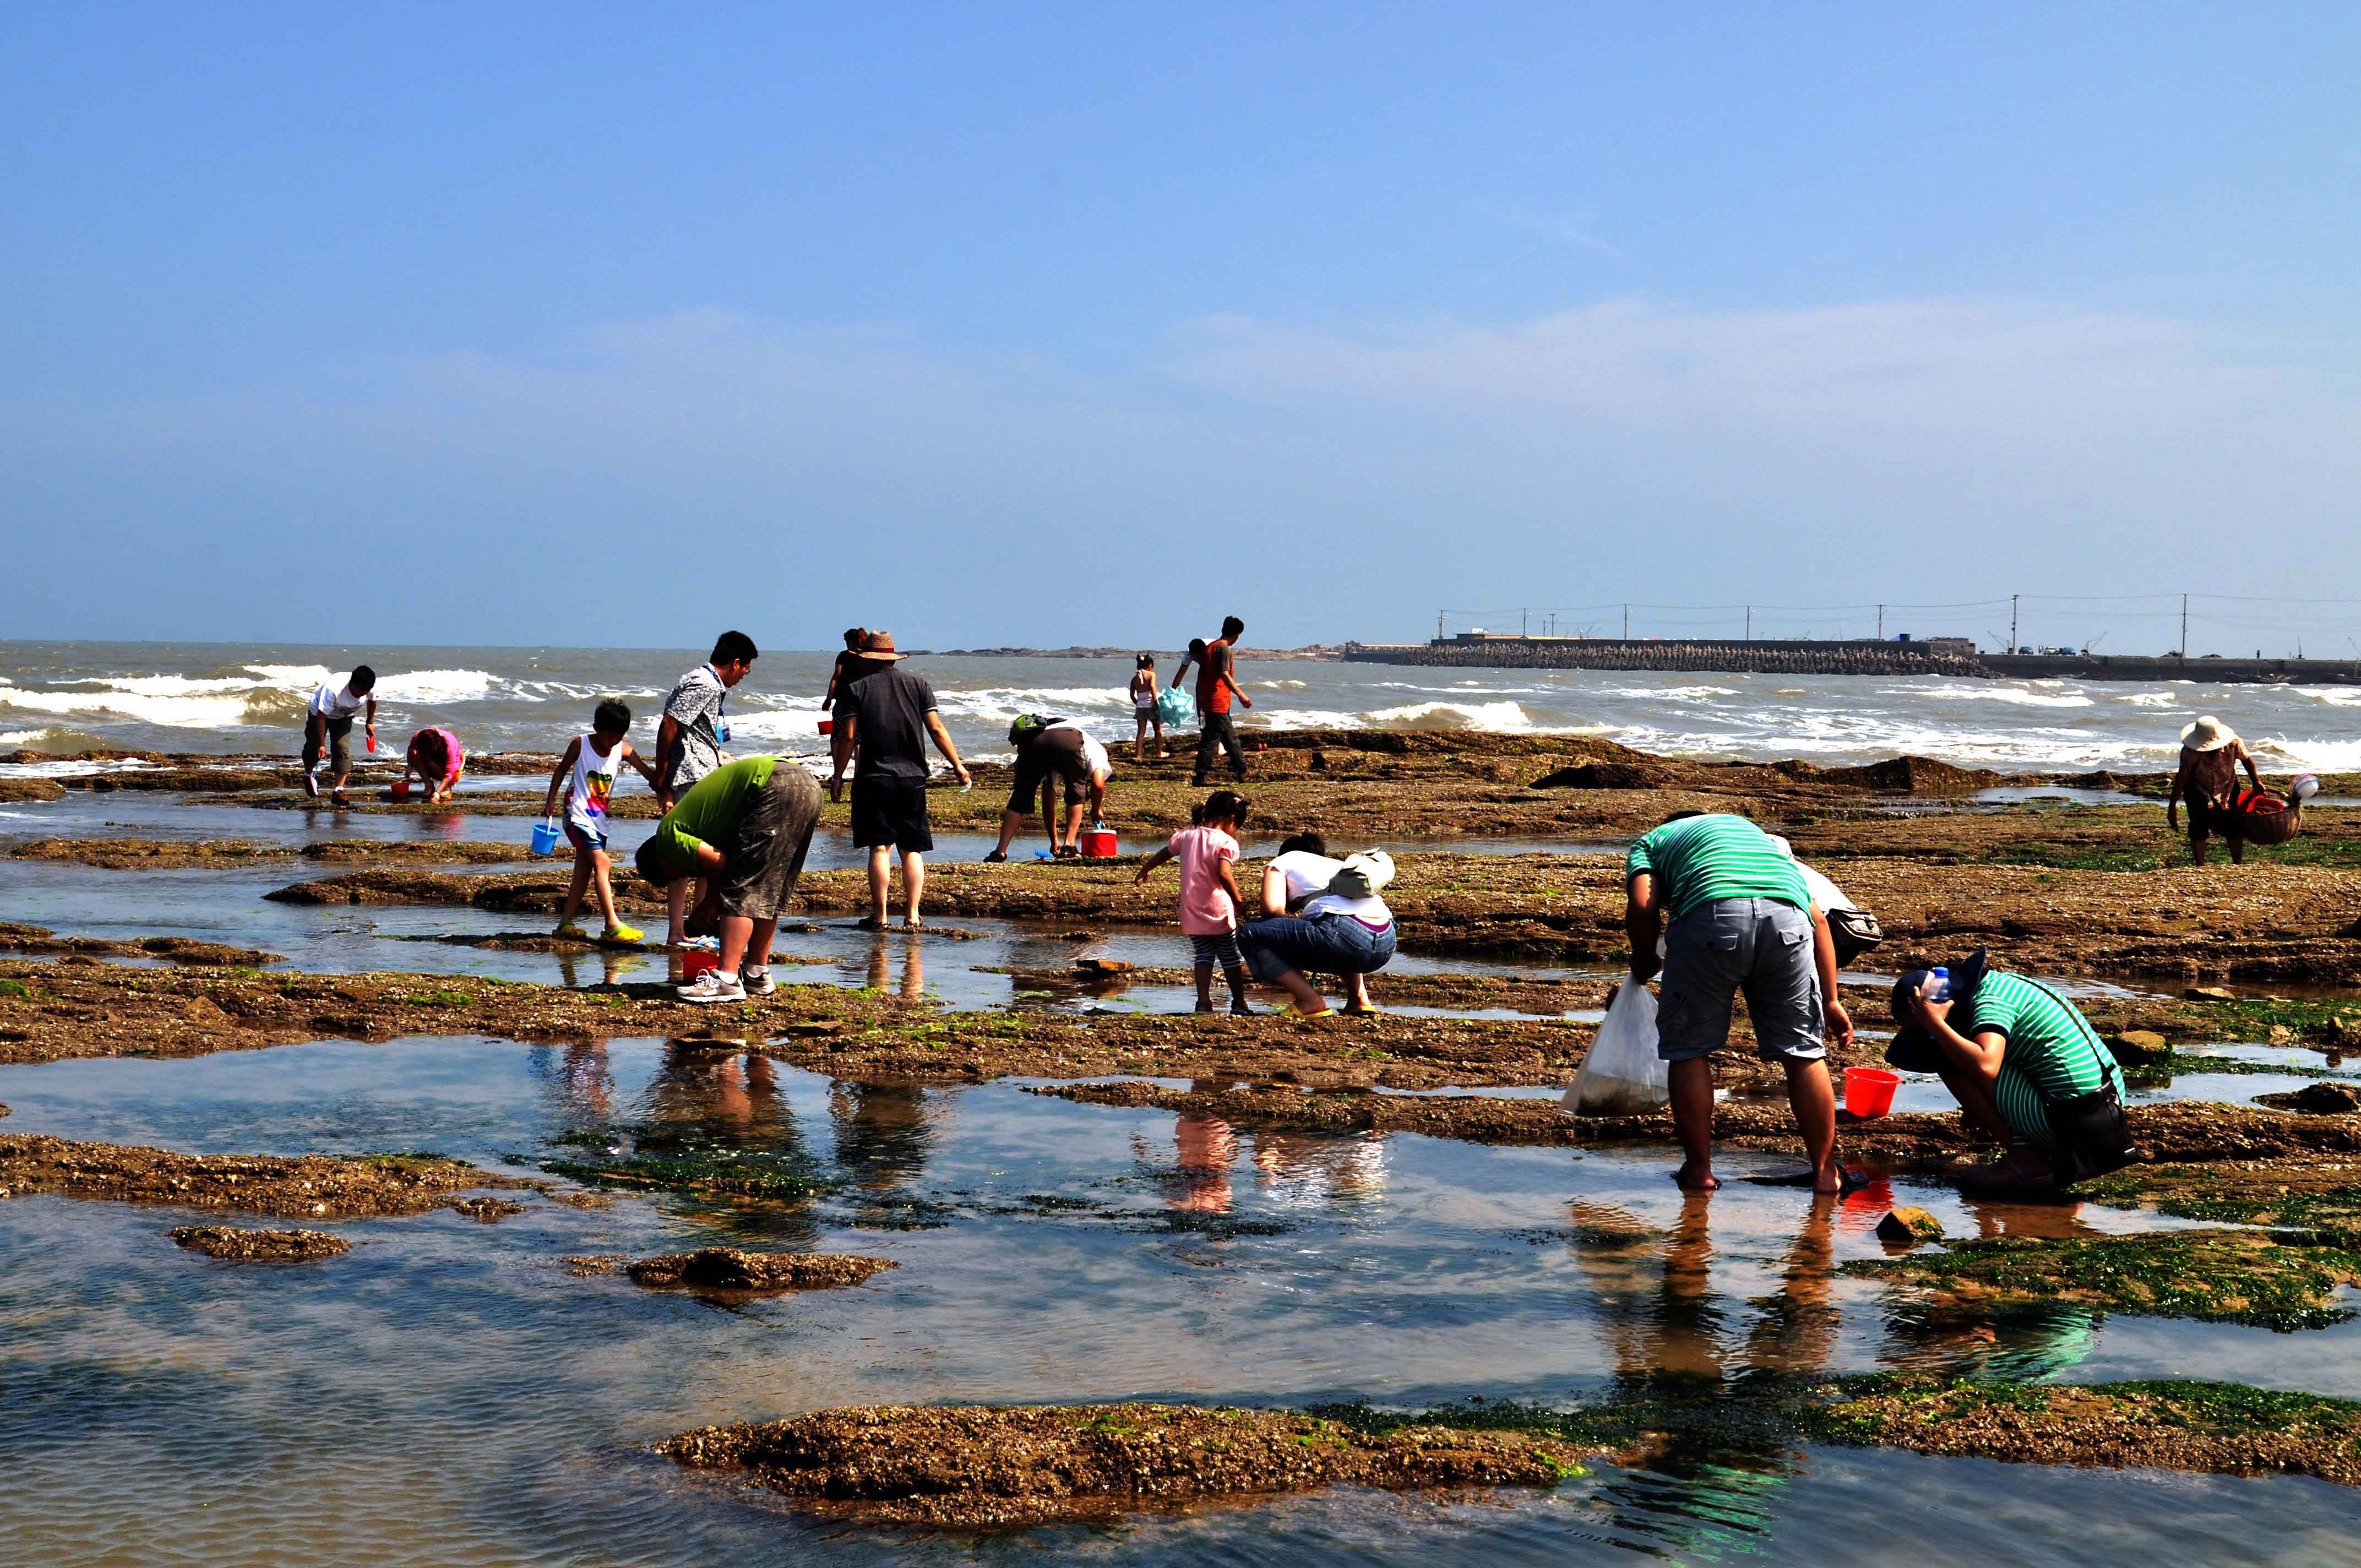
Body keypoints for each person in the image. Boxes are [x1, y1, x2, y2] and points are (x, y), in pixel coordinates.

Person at [1624, 810, 1854, 1194]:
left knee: (1689, 1050)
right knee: (1803, 1052)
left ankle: (1700, 1172)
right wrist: (1831, 1000)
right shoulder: (1757, 838)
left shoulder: (1652, 842)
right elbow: (1821, 922)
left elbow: (1644, 904)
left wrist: (1645, 955)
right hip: (1789, 921)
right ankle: (1826, 1173)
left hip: (1712, 915)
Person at [1890, 949, 2135, 1194]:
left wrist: (1935, 1024)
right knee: (1958, 1050)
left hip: (2078, 1119)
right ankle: (2049, 1157)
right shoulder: (2003, 984)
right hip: (2107, 1104)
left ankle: (2028, 1163)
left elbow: (1986, 1065)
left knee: (1944, 1058)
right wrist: (1977, 1105)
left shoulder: (1991, 1001)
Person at [634, 755, 824, 1004]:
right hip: (808, 786)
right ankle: (756, 973)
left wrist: (708, 906)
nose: (685, 875)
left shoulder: (668, 838)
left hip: (772, 786)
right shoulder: (702, 826)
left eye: (675, 875)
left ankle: (727, 980)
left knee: (740, 888)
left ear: (661, 860)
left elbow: (722, 866)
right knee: (769, 888)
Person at [831, 630, 971, 929]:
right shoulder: (918, 684)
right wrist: (957, 765)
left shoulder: (857, 689)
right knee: (912, 849)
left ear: (867, 658)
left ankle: (880, 917)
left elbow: (850, 737)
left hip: (874, 777)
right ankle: (912, 915)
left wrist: (838, 775)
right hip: (913, 778)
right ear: (893, 658)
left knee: (880, 848)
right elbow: (936, 729)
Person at [652, 632, 759, 945]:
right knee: (691, 854)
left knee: (701, 857)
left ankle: (694, 929)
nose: (744, 676)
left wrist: (715, 753)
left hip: (699, 771)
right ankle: (679, 930)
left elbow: (690, 730)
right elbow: (670, 724)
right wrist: (662, 778)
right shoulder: (705, 683)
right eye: (746, 669)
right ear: (736, 662)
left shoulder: (702, 681)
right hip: (691, 778)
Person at [543, 699, 662, 944]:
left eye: (620, 736)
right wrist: (550, 801)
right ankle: (612, 924)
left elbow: (650, 775)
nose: (614, 741)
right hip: (576, 814)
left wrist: (667, 788)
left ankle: (564, 924)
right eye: (610, 736)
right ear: (596, 727)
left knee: (583, 871)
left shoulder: (624, 750)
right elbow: (561, 770)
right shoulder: (581, 744)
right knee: (604, 864)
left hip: (599, 819)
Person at [1238, 831, 1395, 1017]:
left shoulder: (1283, 861)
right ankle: (1359, 999)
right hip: (1386, 941)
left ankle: (1308, 1000)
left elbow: (1272, 911)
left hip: (1342, 932)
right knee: (1341, 934)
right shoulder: (1339, 866)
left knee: (1249, 933)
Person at [1134, 790, 1255, 1015]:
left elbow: (1165, 853)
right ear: (1231, 818)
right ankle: (1239, 1002)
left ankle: (1203, 1003)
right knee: (1230, 956)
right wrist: (1238, 901)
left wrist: (1145, 869)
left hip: (1192, 908)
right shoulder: (1226, 842)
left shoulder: (1185, 836)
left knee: (1203, 955)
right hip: (1218, 909)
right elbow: (1224, 873)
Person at [984, 717, 1112, 861]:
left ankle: (1000, 851)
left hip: (1033, 743)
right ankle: (1069, 847)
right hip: (1067, 739)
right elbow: (1098, 784)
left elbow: (1048, 797)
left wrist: (1054, 840)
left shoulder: (1053, 736)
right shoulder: (1098, 751)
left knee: (1019, 799)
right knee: (1076, 790)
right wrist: (1096, 809)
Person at [2168, 715, 2265, 865]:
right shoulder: (2190, 751)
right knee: (2198, 826)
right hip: (2198, 788)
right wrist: (2172, 806)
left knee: (2234, 825)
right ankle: (2201, 866)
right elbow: (2183, 776)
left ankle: (2237, 864)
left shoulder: (2234, 743)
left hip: (2228, 786)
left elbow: (2247, 761)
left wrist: (2256, 782)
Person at [1190, 616, 1253, 787]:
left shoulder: (1210, 648)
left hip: (1212, 700)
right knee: (1211, 742)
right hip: (1218, 701)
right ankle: (1200, 776)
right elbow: (1225, 674)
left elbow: (1202, 676)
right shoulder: (1223, 649)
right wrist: (1241, 694)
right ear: (1237, 635)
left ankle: (1242, 771)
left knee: (1229, 739)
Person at [301, 666, 376, 805]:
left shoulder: (370, 687)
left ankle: (339, 791)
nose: (362, 695)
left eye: (365, 692)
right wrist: (322, 744)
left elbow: (372, 701)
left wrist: (370, 722)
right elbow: (321, 718)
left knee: (341, 747)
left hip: (344, 716)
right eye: (360, 691)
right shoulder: (334, 689)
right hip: (319, 716)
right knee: (314, 748)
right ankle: (308, 774)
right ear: (351, 684)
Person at [822, 627, 872, 794]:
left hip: (844, 701)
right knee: (858, 741)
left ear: (849, 642)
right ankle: (858, 777)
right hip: (863, 703)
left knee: (837, 736)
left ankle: (838, 775)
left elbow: (837, 676)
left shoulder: (844, 655)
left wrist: (828, 698)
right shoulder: (868, 657)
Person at [401, 726, 465, 804]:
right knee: (414, 753)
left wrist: (438, 792)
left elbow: (450, 772)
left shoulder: (449, 746)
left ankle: (446, 786)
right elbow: (410, 750)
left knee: (431, 762)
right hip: (432, 757)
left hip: (453, 763)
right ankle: (429, 784)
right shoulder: (418, 736)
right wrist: (409, 767)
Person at [1129, 654, 1167, 762]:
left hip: (1140, 708)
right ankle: (1159, 753)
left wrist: (1138, 703)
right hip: (1151, 705)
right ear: (1150, 665)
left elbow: (1132, 696)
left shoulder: (1134, 679)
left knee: (1141, 732)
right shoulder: (1151, 675)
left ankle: (1138, 755)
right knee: (1158, 730)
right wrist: (1155, 703)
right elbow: (1152, 687)